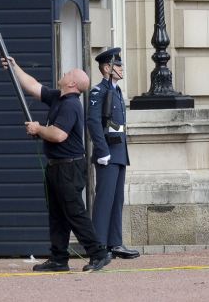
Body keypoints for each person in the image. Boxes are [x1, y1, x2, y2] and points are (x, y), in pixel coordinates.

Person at [1, 55, 111, 272]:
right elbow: (33, 86)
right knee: (57, 215)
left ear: (72, 83)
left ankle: (98, 253)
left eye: (68, 73)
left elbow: (59, 135)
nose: (65, 73)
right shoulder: (58, 97)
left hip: (68, 167)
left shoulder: (71, 105)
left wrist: (37, 129)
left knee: (74, 213)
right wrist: (15, 67)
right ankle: (59, 258)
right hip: (57, 165)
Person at [87, 48, 140, 260]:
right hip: (107, 153)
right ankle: (99, 245)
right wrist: (101, 150)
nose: (121, 68)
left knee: (117, 200)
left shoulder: (116, 91)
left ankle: (114, 243)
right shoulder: (99, 91)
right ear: (107, 68)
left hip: (119, 152)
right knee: (104, 200)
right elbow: (93, 122)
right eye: (117, 65)